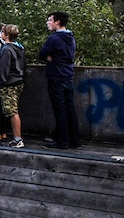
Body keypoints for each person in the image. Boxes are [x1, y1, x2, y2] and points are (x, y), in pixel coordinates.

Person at [39, 11, 80, 149]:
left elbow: (41, 54)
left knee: (60, 110)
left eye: (50, 20)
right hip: (68, 75)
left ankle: (62, 141)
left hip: (56, 76)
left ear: (57, 22)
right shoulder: (71, 37)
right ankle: (74, 140)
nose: (48, 23)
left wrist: (48, 57)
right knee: (70, 108)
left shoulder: (54, 39)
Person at [0, 24, 26, 148]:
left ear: (7, 35)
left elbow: (4, 68)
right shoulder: (19, 48)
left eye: (3, 32)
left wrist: (1, 83)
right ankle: (17, 138)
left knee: (12, 111)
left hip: (9, 82)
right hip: (19, 80)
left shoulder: (6, 49)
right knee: (14, 109)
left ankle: (17, 139)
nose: (1, 34)